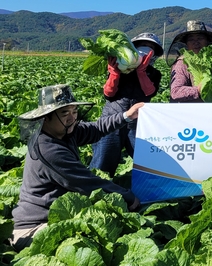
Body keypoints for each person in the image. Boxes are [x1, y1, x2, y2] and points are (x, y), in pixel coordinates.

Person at [11, 85, 143, 250]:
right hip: (33, 229)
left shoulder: (64, 132)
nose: (72, 118)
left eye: (74, 111)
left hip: (55, 218)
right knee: (90, 243)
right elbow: (87, 183)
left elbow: (96, 128)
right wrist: (129, 197)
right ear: (46, 117)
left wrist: (127, 116)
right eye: (65, 113)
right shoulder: (48, 149)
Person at [89, 33, 163, 176]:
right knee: (102, 163)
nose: (145, 50)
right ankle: (96, 191)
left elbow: (149, 93)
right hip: (112, 120)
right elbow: (108, 94)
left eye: (150, 47)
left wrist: (142, 72)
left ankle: (147, 193)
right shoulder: (121, 68)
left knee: (145, 165)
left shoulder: (154, 73)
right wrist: (114, 74)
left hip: (138, 123)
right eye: (141, 46)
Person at [167, 20, 212, 103]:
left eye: (200, 38)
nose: (196, 42)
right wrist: (199, 89)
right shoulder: (182, 63)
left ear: (207, 41)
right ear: (186, 44)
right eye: (191, 40)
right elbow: (175, 92)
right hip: (190, 112)